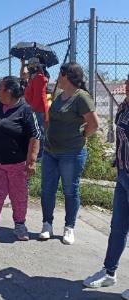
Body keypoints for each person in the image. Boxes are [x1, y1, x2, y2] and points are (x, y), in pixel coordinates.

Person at [39, 62, 99, 245]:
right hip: (50, 152)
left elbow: (94, 124)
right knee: (47, 190)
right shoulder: (59, 96)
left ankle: (69, 227)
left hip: (71, 154)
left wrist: (81, 135)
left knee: (70, 191)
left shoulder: (81, 98)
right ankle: (47, 225)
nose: (58, 77)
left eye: (60, 74)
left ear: (67, 76)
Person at [0, 76, 40, 244]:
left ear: (9, 91)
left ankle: (19, 225)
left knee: (19, 196)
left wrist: (32, 161)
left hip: (17, 164)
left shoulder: (26, 111)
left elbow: (35, 136)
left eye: (0, 88)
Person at [83, 75, 129, 300]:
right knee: (118, 227)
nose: (128, 86)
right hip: (122, 175)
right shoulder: (124, 107)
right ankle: (109, 272)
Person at [21, 57, 50, 160]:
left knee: (40, 132)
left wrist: (32, 109)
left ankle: (40, 156)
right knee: (36, 132)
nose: (29, 67)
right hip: (35, 108)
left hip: (38, 109)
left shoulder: (38, 78)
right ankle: (37, 154)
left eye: (30, 65)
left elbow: (38, 96)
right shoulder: (34, 78)